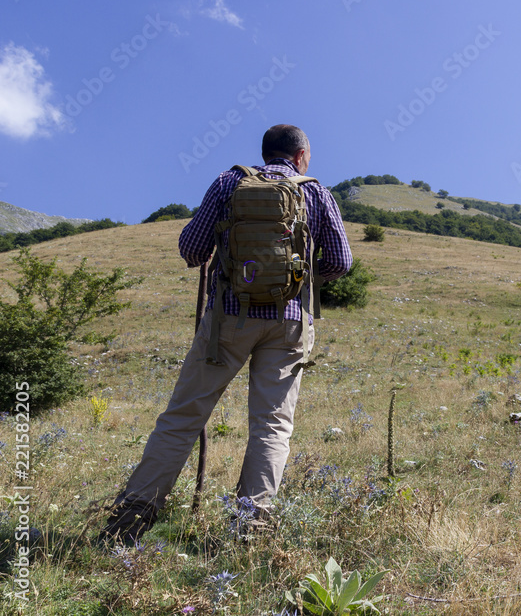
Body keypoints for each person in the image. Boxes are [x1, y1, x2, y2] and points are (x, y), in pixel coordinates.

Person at [101, 124, 353, 544]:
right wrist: (302, 279)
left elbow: (191, 249)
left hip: (227, 319)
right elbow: (341, 261)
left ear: (265, 152)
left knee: (183, 417)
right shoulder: (316, 191)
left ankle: (133, 515)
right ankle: (250, 527)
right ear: (302, 155)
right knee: (272, 426)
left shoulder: (228, 181)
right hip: (289, 322)